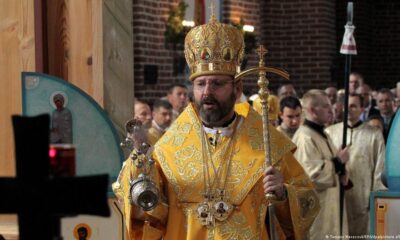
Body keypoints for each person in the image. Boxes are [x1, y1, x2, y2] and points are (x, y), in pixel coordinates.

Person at [113, 14, 319, 240]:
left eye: (218, 83)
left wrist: (283, 194)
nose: (207, 92)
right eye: (200, 84)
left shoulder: (269, 145)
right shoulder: (169, 148)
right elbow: (148, 213)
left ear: (237, 88)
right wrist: (139, 165)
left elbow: (308, 203)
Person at [292, 89, 350, 239]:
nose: (331, 110)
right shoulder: (305, 137)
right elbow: (310, 175)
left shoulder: (322, 134)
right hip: (318, 211)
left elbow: (329, 162)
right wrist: (337, 163)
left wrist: (342, 170)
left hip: (330, 206)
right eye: (326, 106)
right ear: (312, 110)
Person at [326, 93, 386, 236]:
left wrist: (376, 197)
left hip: (363, 199)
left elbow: (380, 168)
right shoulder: (330, 132)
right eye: (346, 106)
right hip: (338, 196)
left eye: (353, 106)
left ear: (362, 108)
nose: (349, 110)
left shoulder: (374, 134)